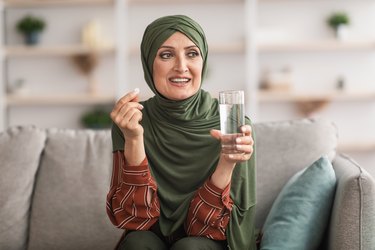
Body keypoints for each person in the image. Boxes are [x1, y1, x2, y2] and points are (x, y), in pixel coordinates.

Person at [106, 15, 257, 250]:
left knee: (190, 248)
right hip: (150, 235)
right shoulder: (130, 121)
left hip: (208, 237)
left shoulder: (231, 122)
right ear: (148, 63)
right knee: (137, 243)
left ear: (203, 61)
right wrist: (134, 138)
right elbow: (135, 219)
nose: (181, 66)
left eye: (192, 53)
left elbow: (210, 228)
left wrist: (226, 163)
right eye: (166, 55)